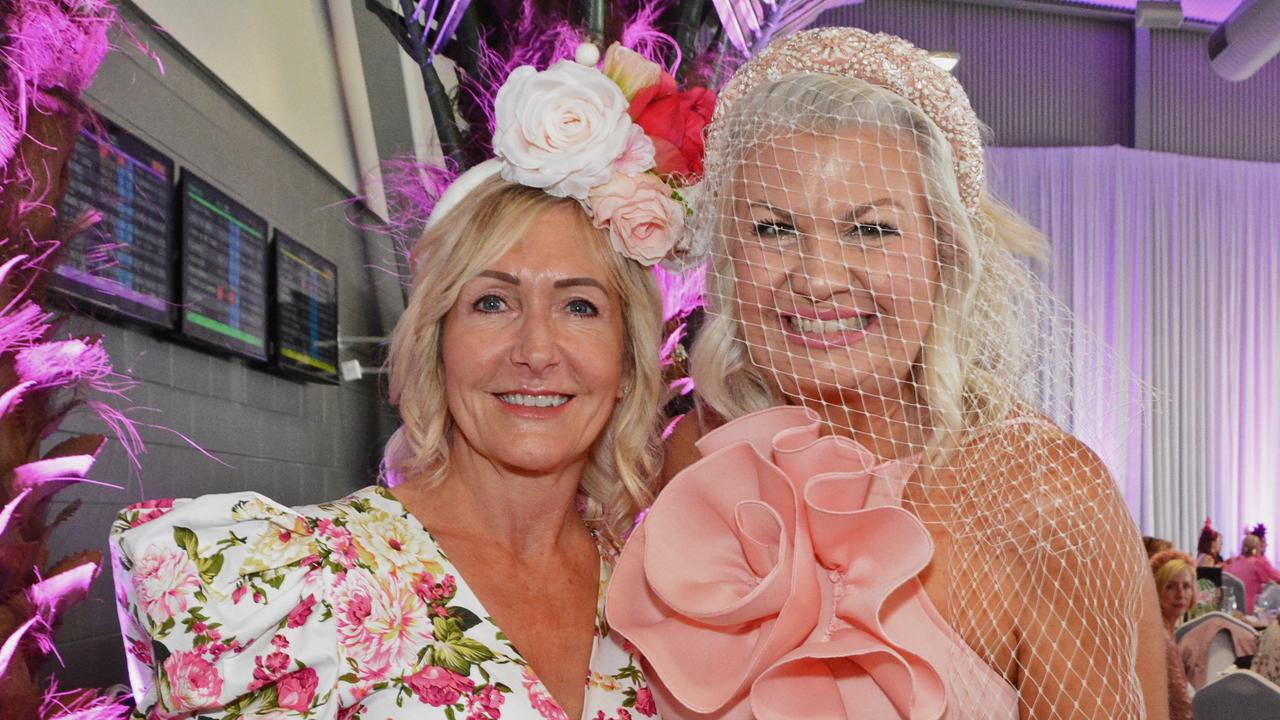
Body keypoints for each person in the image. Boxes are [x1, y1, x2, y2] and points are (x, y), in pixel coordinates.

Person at [608, 27, 1169, 719]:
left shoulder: (1041, 498)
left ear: (945, 255)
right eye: (774, 229)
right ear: (726, 258)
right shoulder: (682, 469)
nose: (817, 279)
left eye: (870, 231)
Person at [110, 45, 684, 719]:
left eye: (580, 306)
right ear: (436, 343)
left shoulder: (664, 595)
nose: (536, 350)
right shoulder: (304, 588)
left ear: (627, 365)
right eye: (492, 302)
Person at [1150, 550, 1194, 720]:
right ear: (1157, 590)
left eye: (1186, 586)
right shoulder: (1161, 637)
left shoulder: (1162, 628)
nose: (1180, 594)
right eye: (1170, 586)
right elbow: (1181, 705)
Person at [1223, 532, 1280, 614]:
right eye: (1260, 546)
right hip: (1250, 610)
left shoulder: (1234, 562)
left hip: (1232, 610)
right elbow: (1275, 576)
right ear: (1255, 549)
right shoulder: (1257, 563)